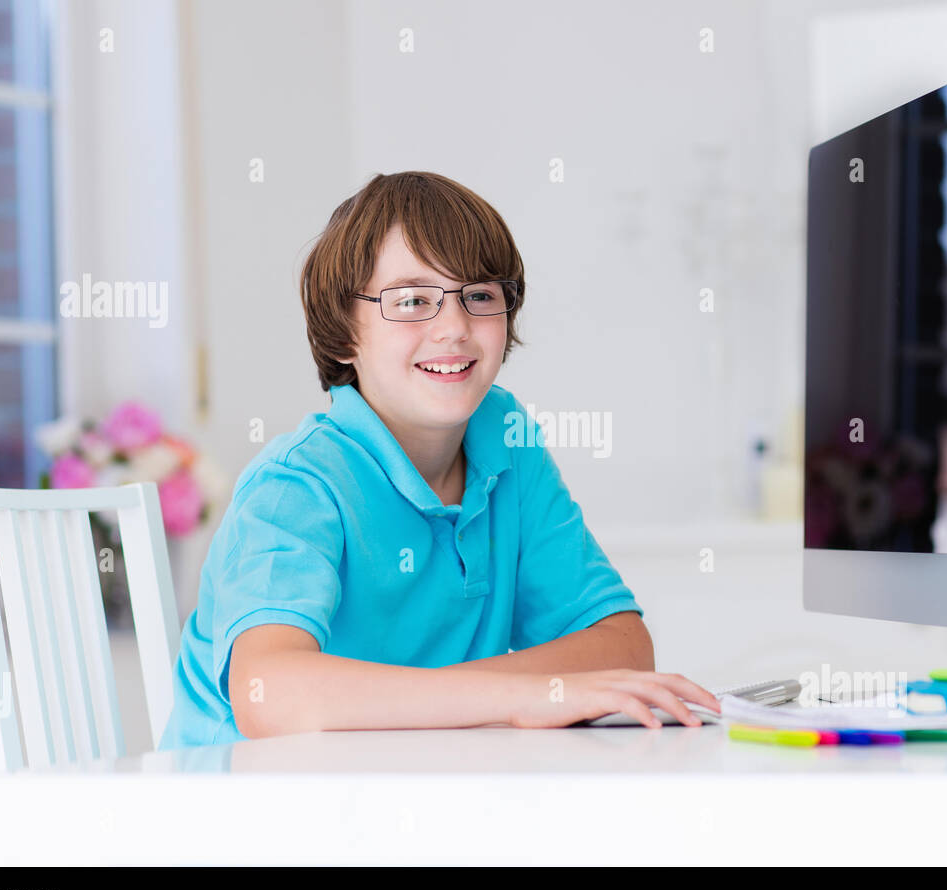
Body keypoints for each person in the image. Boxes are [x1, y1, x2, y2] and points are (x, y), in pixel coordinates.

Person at [159, 171, 718, 749]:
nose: (453, 328)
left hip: (412, 800)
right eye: (412, 301)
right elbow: (269, 696)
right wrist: (521, 696)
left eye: (479, 296)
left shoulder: (506, 440)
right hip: (248, 818)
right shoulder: (297, 484)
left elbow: (622, 646)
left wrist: (451, 699)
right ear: (345, 331)